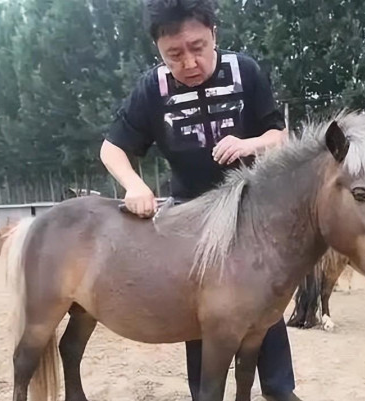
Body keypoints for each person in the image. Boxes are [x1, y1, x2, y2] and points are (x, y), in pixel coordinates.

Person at [99, 1, 302, 399]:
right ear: (158, 49)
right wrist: (134, 185)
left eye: (198, 47)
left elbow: (279, 136)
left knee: (266, 295)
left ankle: (278, 388)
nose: (189, 62)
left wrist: (250, 143)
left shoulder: (245, 72)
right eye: (174, 54)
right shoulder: (152, 89)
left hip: (251, 213)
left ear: (214, 35)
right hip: (191, 215)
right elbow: (111, 148)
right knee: (200, 306)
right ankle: (204, 394)